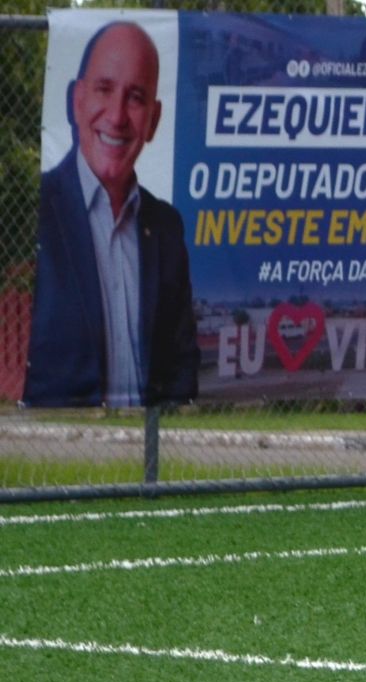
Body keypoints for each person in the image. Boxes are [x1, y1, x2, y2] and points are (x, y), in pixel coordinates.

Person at [27, 19, 199, 408]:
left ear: (153, 120)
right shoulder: (38, 210)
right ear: (77, 100)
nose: (118, 116)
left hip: (152, 443)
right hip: (65, 445)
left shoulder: (167, 228)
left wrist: (166, 434)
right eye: (105, 89)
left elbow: (182, 360)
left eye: (136, 97)